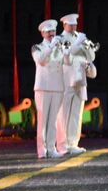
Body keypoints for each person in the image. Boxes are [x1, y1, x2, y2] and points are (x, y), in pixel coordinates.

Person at [55, 13, 93, 155]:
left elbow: (90, 55)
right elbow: (66, 57)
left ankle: (73, 143)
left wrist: (88, 48)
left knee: (76, 114)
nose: (74, 26)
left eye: (75, 24)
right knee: (63, 114)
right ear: (64, 24)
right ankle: (63, 145)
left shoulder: (80, 37)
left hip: (80, 79)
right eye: (71, 24)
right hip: (65, 80)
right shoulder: (60, 39)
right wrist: (78, 44)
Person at [32, 19, 65, 160]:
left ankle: (52, 149)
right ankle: (42, 150)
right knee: (43, 120)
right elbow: (41, 61)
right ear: (43, 33)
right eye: (49, 32)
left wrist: (65, 50)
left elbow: (67, 63)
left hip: (57, 87)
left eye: (54, 32)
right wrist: (51, 47)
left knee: (52, 121)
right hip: (43, 87)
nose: (52, 34)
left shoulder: (59, 47)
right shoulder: (37, 47)